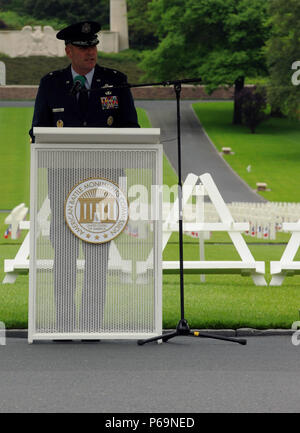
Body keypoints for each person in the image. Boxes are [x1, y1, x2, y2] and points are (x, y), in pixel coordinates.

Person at [29, 21, 139, 335]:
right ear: (68, 51)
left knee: (96, 258)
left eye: (93, 46)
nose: (90, 52)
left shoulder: (115, 82)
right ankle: (64, 324)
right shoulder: (51, 84)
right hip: (63, 184)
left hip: (102, 189)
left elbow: (130, 128)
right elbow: (37, 131)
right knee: (63, 257)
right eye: (82, 47)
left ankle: (91, 325)